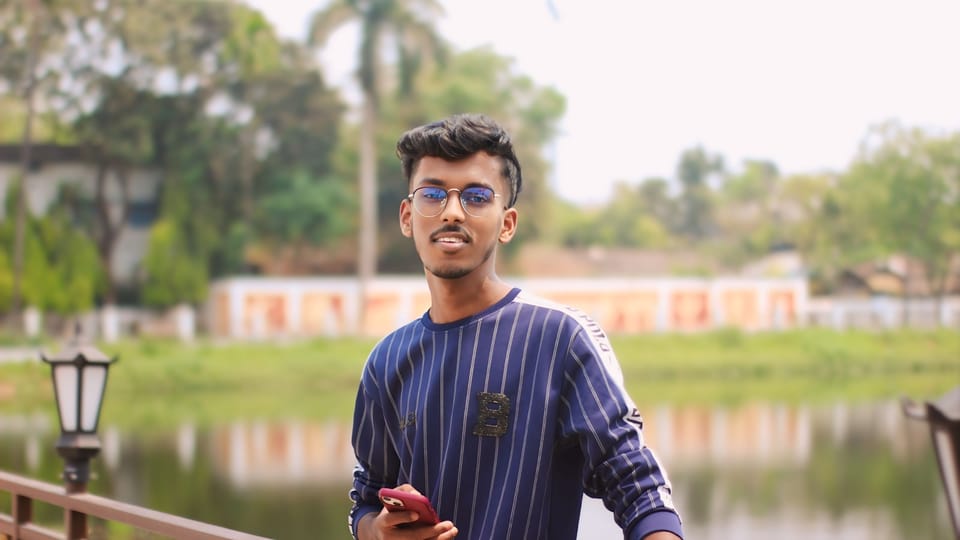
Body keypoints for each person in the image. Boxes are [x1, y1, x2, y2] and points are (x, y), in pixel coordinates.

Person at [348, 113, 683, 540]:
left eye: (476, 197)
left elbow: (638, 489)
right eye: (432, 194)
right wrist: (377, 530)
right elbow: (368, 496)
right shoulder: (387, 361)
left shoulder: (560, 338)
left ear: (506, 224)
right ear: (407, 216)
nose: (452, 212)